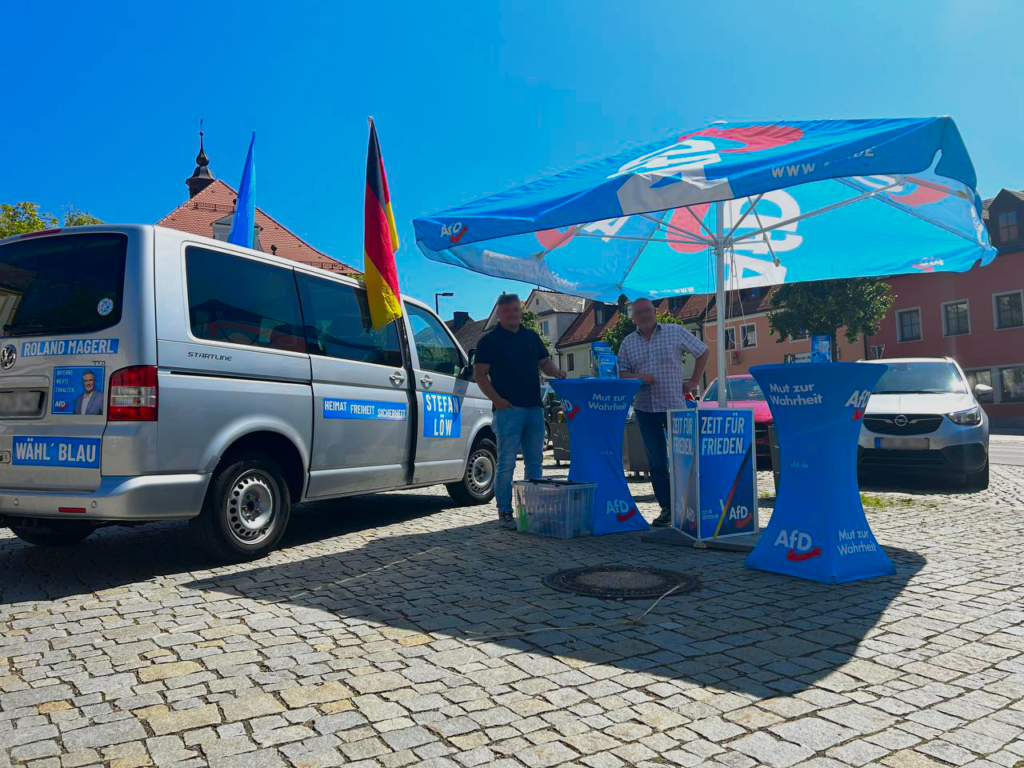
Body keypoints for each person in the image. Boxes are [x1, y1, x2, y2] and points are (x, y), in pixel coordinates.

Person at [474, 294, 566, 529]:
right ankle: (505, 511)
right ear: (499, 314)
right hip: (508, 410)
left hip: (534, 408)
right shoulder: (489, 341)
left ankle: (532, 510)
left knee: (535, 463)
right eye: (506, 311)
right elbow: (479, 374)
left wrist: (556, 372)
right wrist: (497, 400)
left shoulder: (531, 336)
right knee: (506, 463)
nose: (512, 314)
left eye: (515, 310)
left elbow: (544, 363)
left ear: (520, 311)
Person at [618, 298, 709, 527]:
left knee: (685, 459)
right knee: (657, 462)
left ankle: (692, 506)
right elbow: (622, 373)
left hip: (674, 407)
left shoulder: (674, 331)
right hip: (645, 408)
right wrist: (639, 377)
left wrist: (694, 381)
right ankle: (667, 508)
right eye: (638, 313)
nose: (644, 315)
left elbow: (703, 351)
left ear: (654, 312)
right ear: (633, 318)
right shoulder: (628, 342)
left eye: (647, 311)